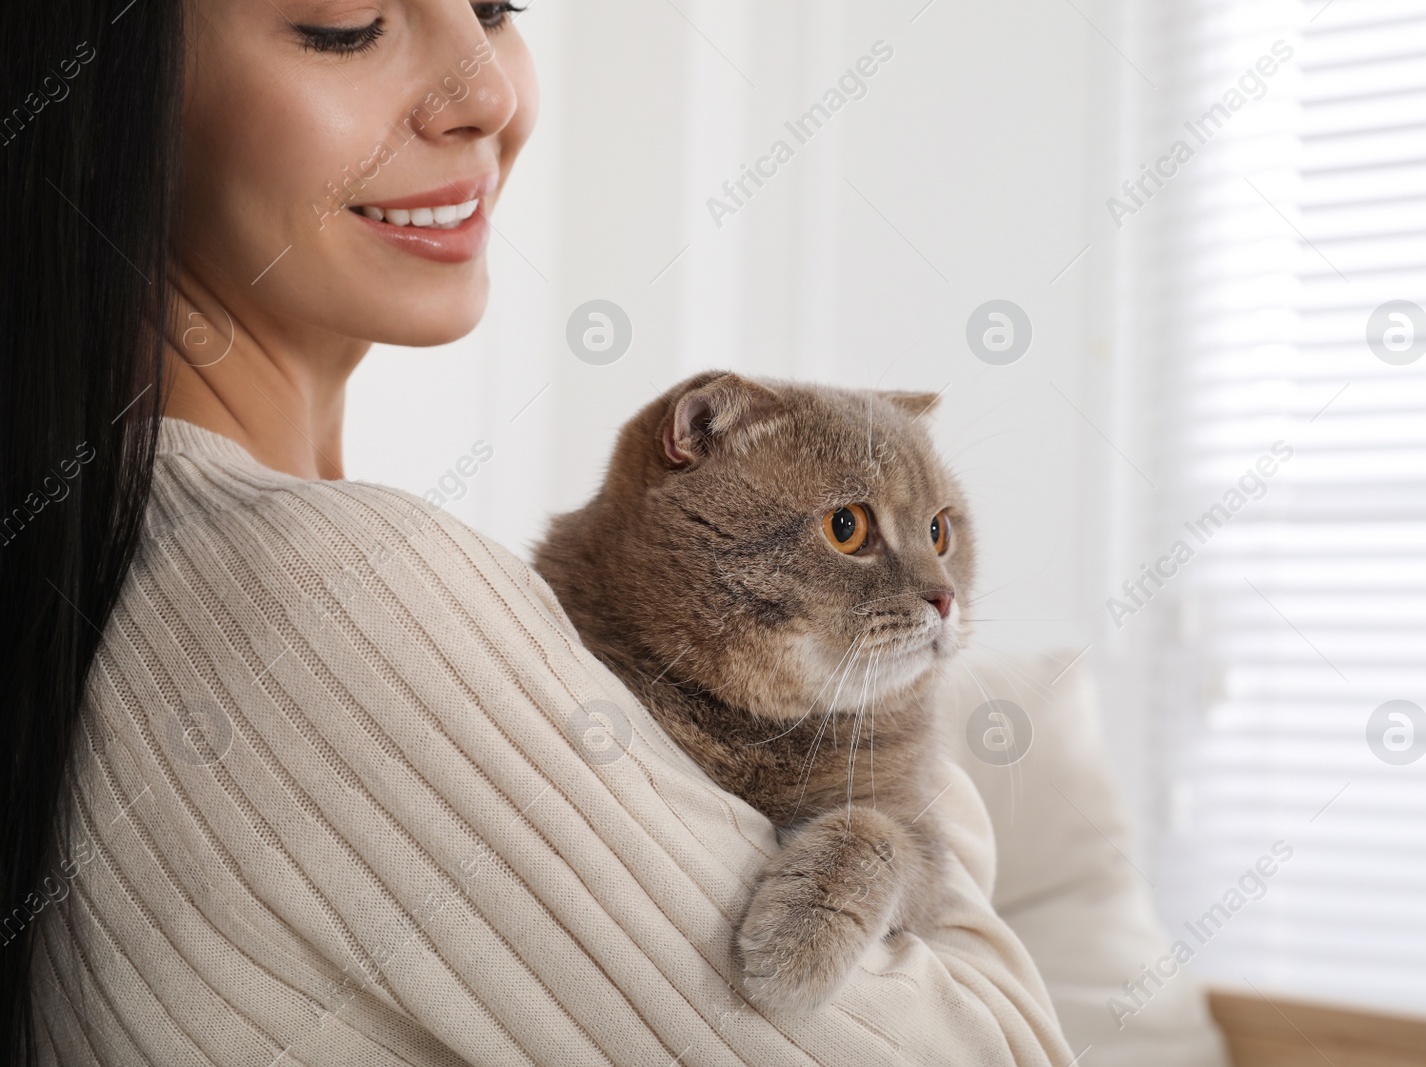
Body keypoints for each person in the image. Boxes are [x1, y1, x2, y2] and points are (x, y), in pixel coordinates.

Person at [0, 0, 1074, 1063]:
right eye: (348, 24)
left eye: (495, 6)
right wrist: (902, 781)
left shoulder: (120, 544)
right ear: (106, 93)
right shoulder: (342, 591)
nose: (491, 93)